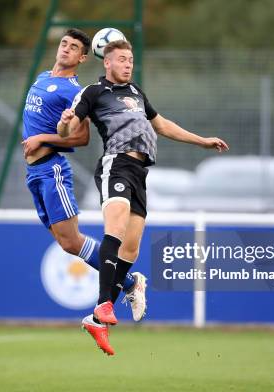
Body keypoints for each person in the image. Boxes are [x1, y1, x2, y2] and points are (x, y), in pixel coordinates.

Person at [58, 39, 229, 355]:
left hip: (140, 173)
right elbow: (67, 130)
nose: (128, 64)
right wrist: (66, 122)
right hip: (116, 164)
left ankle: (119, 296)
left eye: (131, 60)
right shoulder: (94, 93)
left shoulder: (136, 93)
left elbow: (161, 124)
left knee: (132, 246)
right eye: (122, 59)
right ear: (106, 62)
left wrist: (201, 141)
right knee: (117, 227)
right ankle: (103, 305)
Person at [21, 29, 147, 349]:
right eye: (64, 43)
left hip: (52, 171)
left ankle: (129, 282)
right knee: (67, 244)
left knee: (73, 239)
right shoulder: (41, 76)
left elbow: (81, 138)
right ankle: (130, 281)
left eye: (74, 47)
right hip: (33, 172)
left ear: (82, 58)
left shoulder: (73, 90)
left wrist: (42, 139)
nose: (65, 49)